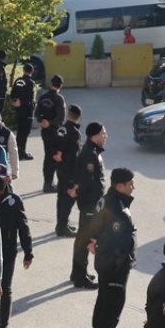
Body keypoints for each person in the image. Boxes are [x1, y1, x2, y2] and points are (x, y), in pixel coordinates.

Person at [83, 167, 138, 328]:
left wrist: (93, 241)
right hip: (114, 265)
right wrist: (118, 259)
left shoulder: (108, 200)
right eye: (131, 183)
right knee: (112, 307)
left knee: (104, 302)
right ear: (120, 186)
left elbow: (95, 224)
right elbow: (116, 237)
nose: (134, 187)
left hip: (108, 262)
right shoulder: (115, 206)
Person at [0, 163, 32, 328]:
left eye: (1, 179)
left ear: (7, 179)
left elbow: (24, 227)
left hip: (7, 251)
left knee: (5, 288)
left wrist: (28, 252)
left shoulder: (14, 201)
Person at [69, 123, 107, 289]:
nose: (105, 136)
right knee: (85, 239)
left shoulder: (91, 151)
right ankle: (80, 278)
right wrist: (77, 190)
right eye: (103, 133)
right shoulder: (90, 154)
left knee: (82, 237)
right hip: (90, 202)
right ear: (94, 136)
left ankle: (77, 272)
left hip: (91, 201)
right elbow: (86, 179)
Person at [54, 105, 84, 237]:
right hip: (70, 170)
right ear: (79, 117)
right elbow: (74, 154)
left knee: (61, 196)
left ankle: (60, 224)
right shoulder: (75, 133)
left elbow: (52, 145)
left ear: (68, 114)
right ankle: (62, 227)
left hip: (60, 168)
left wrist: (57, 156)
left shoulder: (61, 129)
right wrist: (64, 157)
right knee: (68, 198)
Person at [36, 74, 67, 193]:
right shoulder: (59, 99)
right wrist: (50, 122)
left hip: (45, 131)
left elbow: (37, 112)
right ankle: (49, 184)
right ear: (61, 86)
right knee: (54, 157)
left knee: (47, 156)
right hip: (55, 131)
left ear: (51, 84)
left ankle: (47, 181)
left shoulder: (43, 97)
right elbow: (61, 118)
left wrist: (43, 121)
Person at [9, 64, 36, 160]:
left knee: (20, 131)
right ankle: (22, 152)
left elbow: (12, 94)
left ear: (23, 70)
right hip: (27, 110)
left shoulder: (17, 81)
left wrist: (15, 101)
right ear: (32, 71)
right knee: (25, 132)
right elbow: (30, 98)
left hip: (19, 110)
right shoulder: (30, 82)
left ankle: (18, 151)